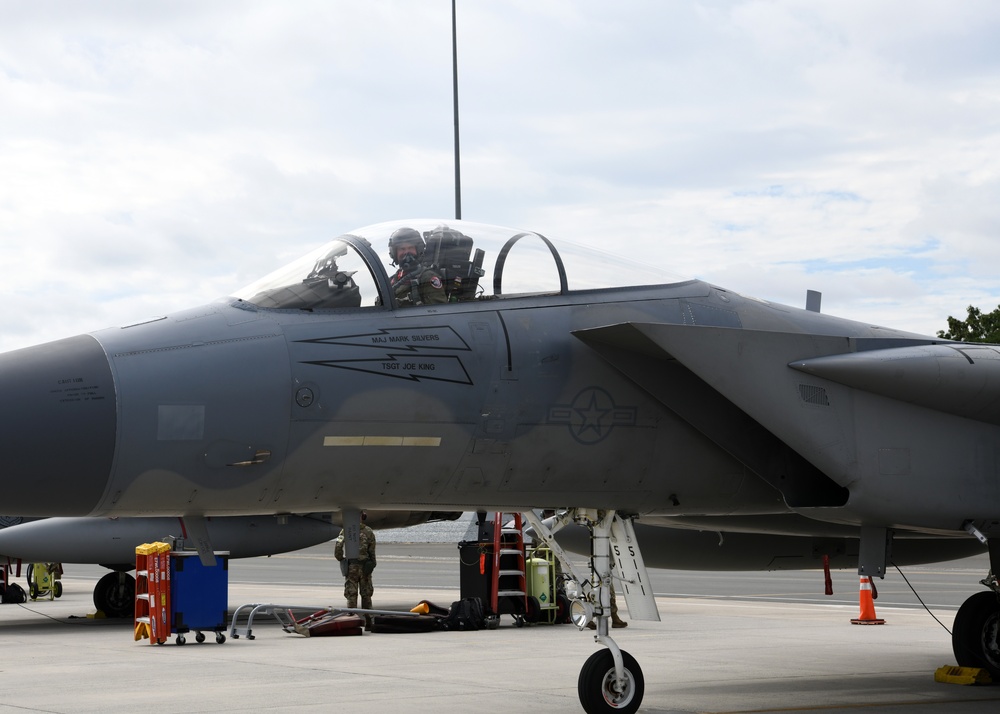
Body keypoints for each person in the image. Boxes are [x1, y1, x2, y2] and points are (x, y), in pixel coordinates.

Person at [334, 511, 376, 627]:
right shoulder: (368, 531)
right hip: (364, 567)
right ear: (362, 517)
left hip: (352, 566)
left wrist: (341, 558)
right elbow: (372, 551)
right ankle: (369, 622)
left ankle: (351, 622)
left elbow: (338, 546)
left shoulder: (346, 530)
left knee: (351, 594)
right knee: (366, 595)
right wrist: (372, 564)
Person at [387, 227, 447, 306]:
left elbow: (439, 310)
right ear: (394, 253)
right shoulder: (391, 281)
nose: (406, 252)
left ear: (418, 250)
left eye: (410, 247)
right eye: (402, 249)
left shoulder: (427, 277)